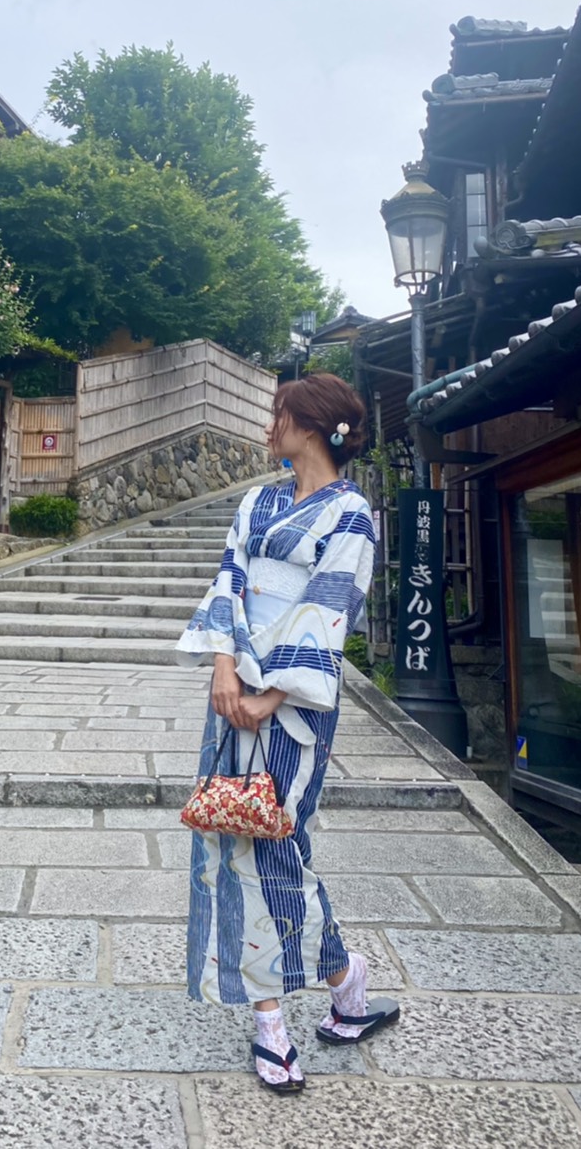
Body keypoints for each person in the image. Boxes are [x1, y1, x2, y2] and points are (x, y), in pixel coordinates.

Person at [176, 372, 398, 1094]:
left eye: (280, 413)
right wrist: (222, 668)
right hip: (232, 687)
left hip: (293, 705)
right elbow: (229, 579)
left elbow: (329, 607)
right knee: (237, 836)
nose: (269, 424)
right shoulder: (258, 500)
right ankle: (344, 981)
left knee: (269, 841)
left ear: (310, 424)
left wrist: (272, 691)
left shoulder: (352, 515)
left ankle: (272, 1023)